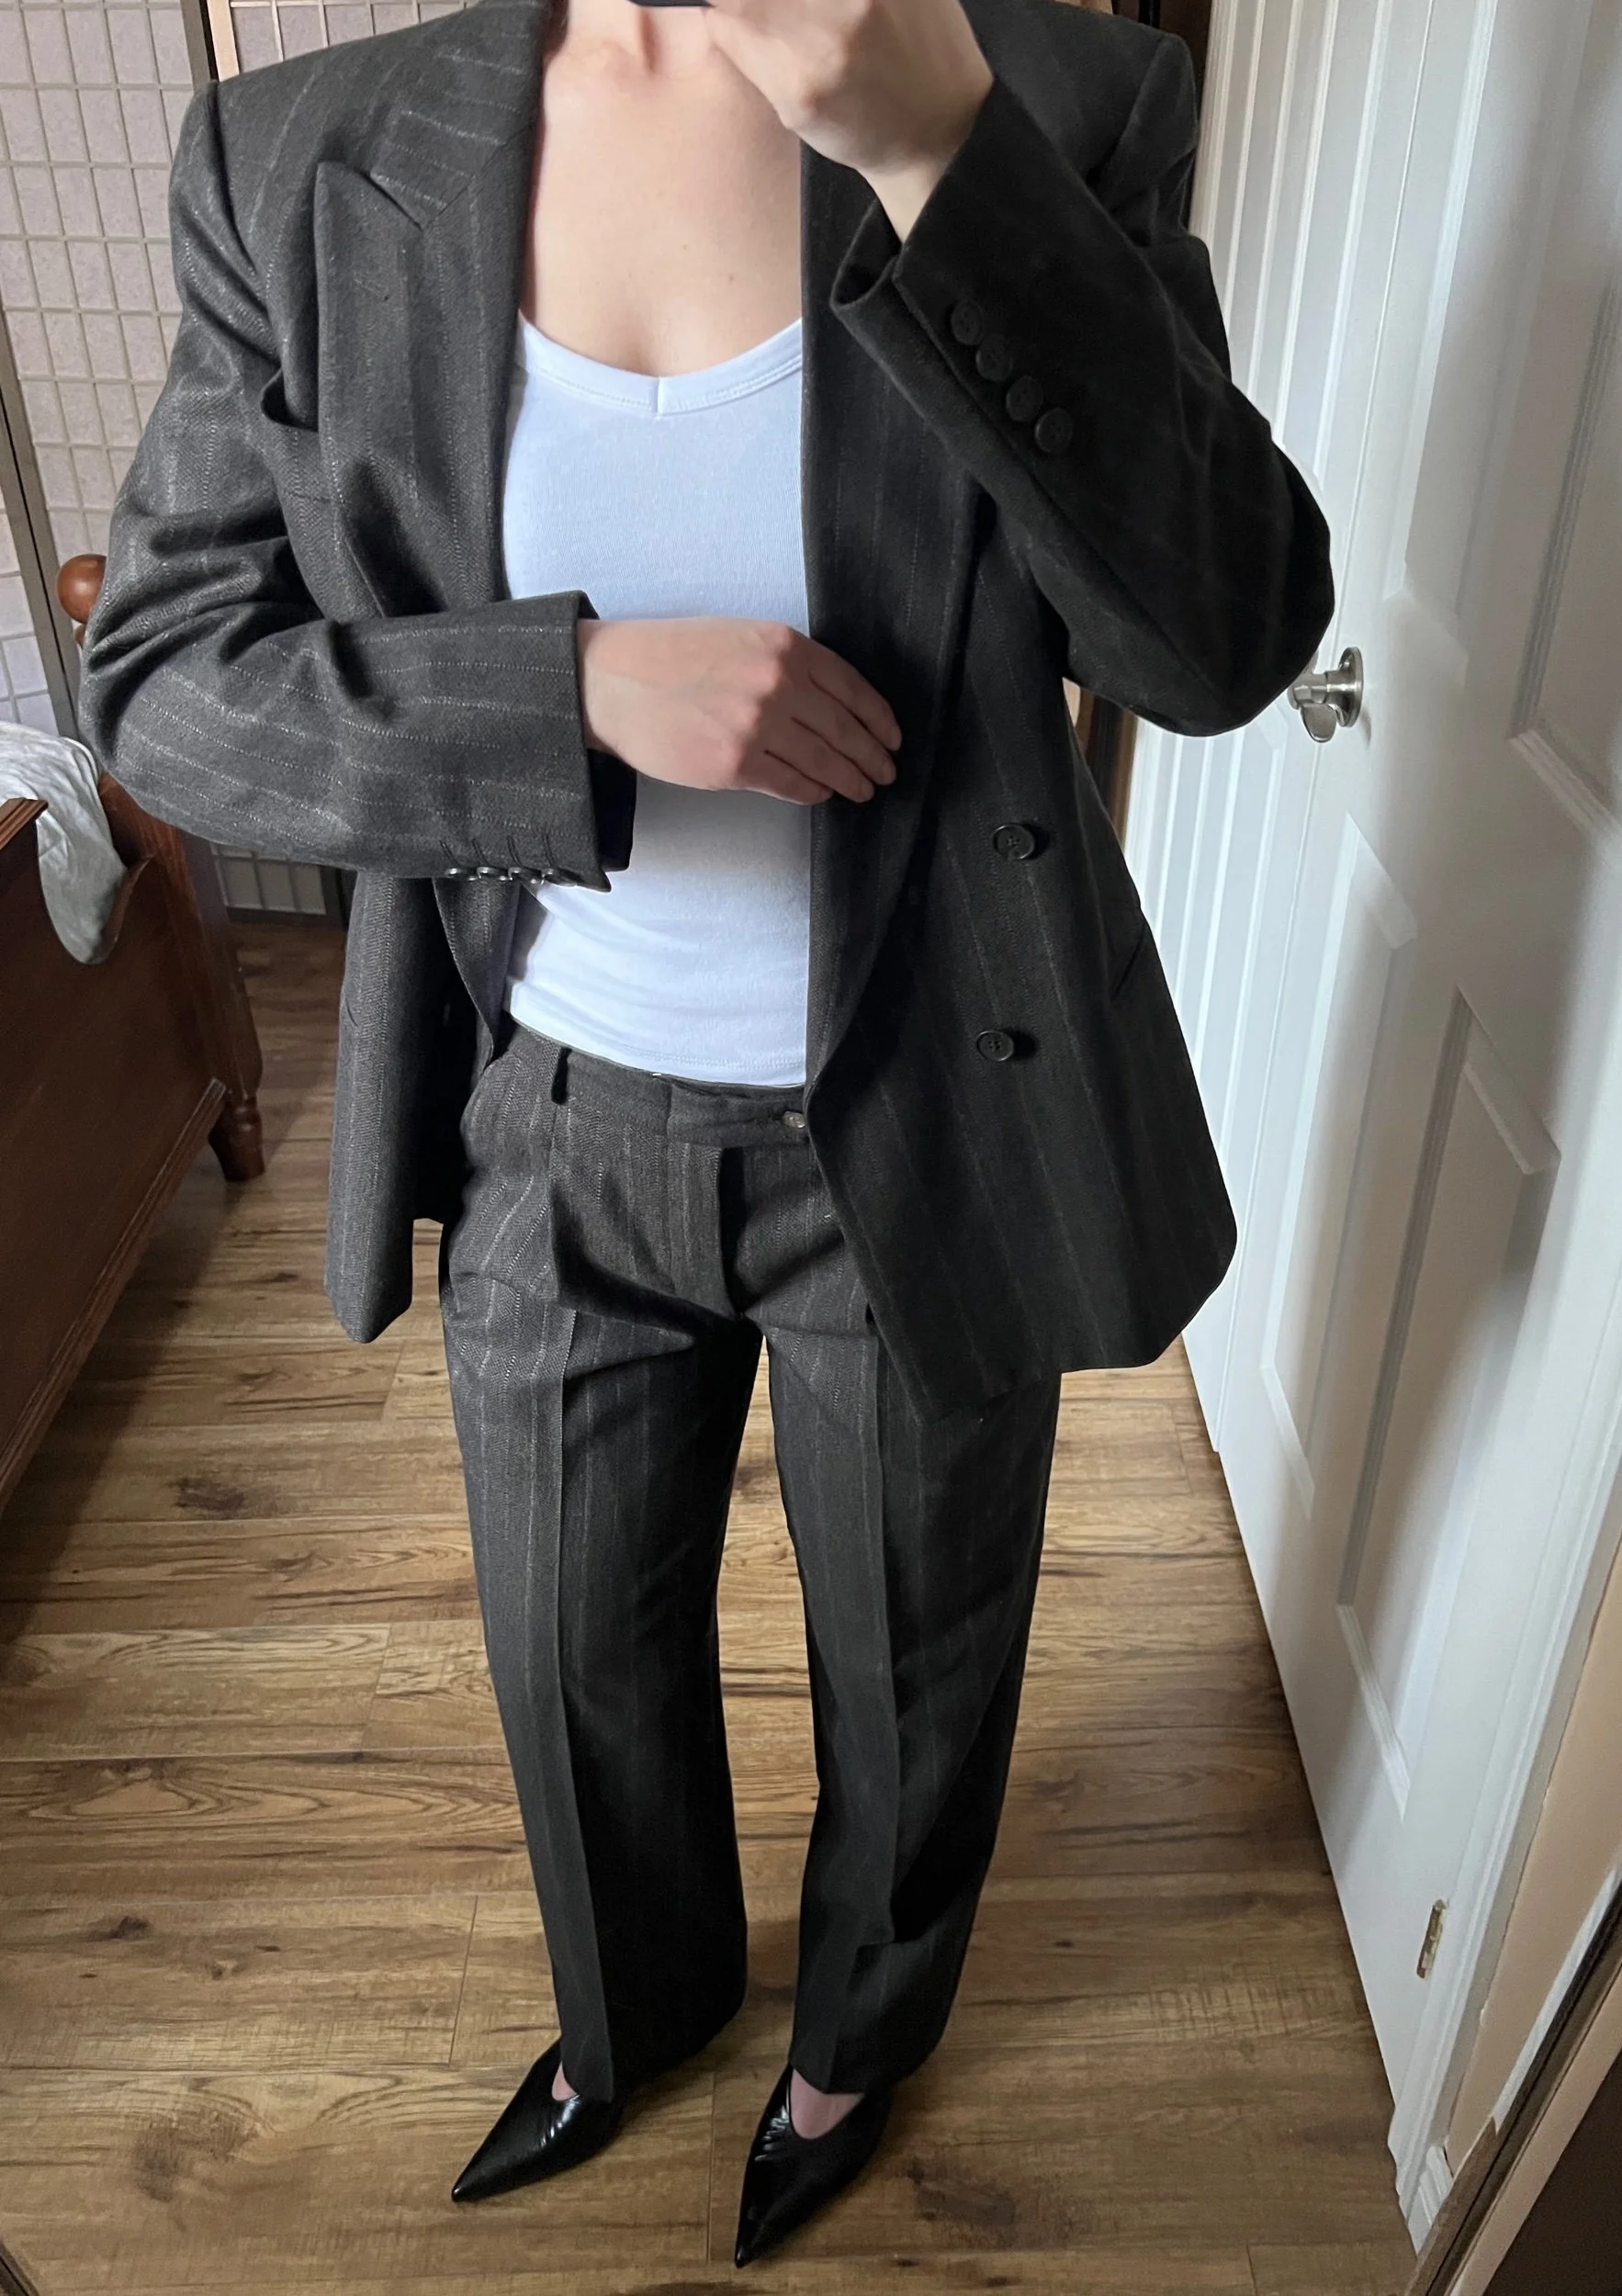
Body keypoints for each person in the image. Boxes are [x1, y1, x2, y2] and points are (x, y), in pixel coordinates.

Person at [76, 0, 1334, 2266]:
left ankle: (858, 2031)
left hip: (933, 1107)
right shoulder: (301, 158)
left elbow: (1219, 639)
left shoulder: (1053, 105)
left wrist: (939, 155)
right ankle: (630, 2011)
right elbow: (163, 681)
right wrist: (562, 687)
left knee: (921, 1657)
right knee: (570, 1659)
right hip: (550, 1113)